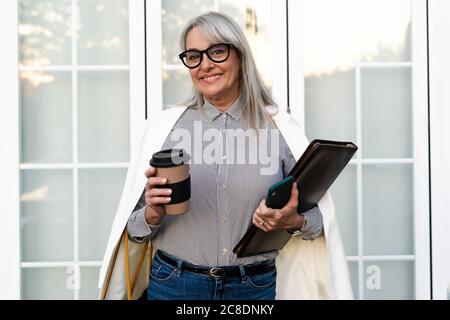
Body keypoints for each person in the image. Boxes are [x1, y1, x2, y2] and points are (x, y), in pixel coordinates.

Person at [98, 12, 353, 300]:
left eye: (217, 52)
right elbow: (132, 231)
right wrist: (151, 214)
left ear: (239, 55)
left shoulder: (279, 129)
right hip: (174, 286)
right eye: (194, 56)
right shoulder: (163, 128)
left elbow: (318, 221)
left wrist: (291, 221)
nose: (205, 64)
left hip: (253, 289)